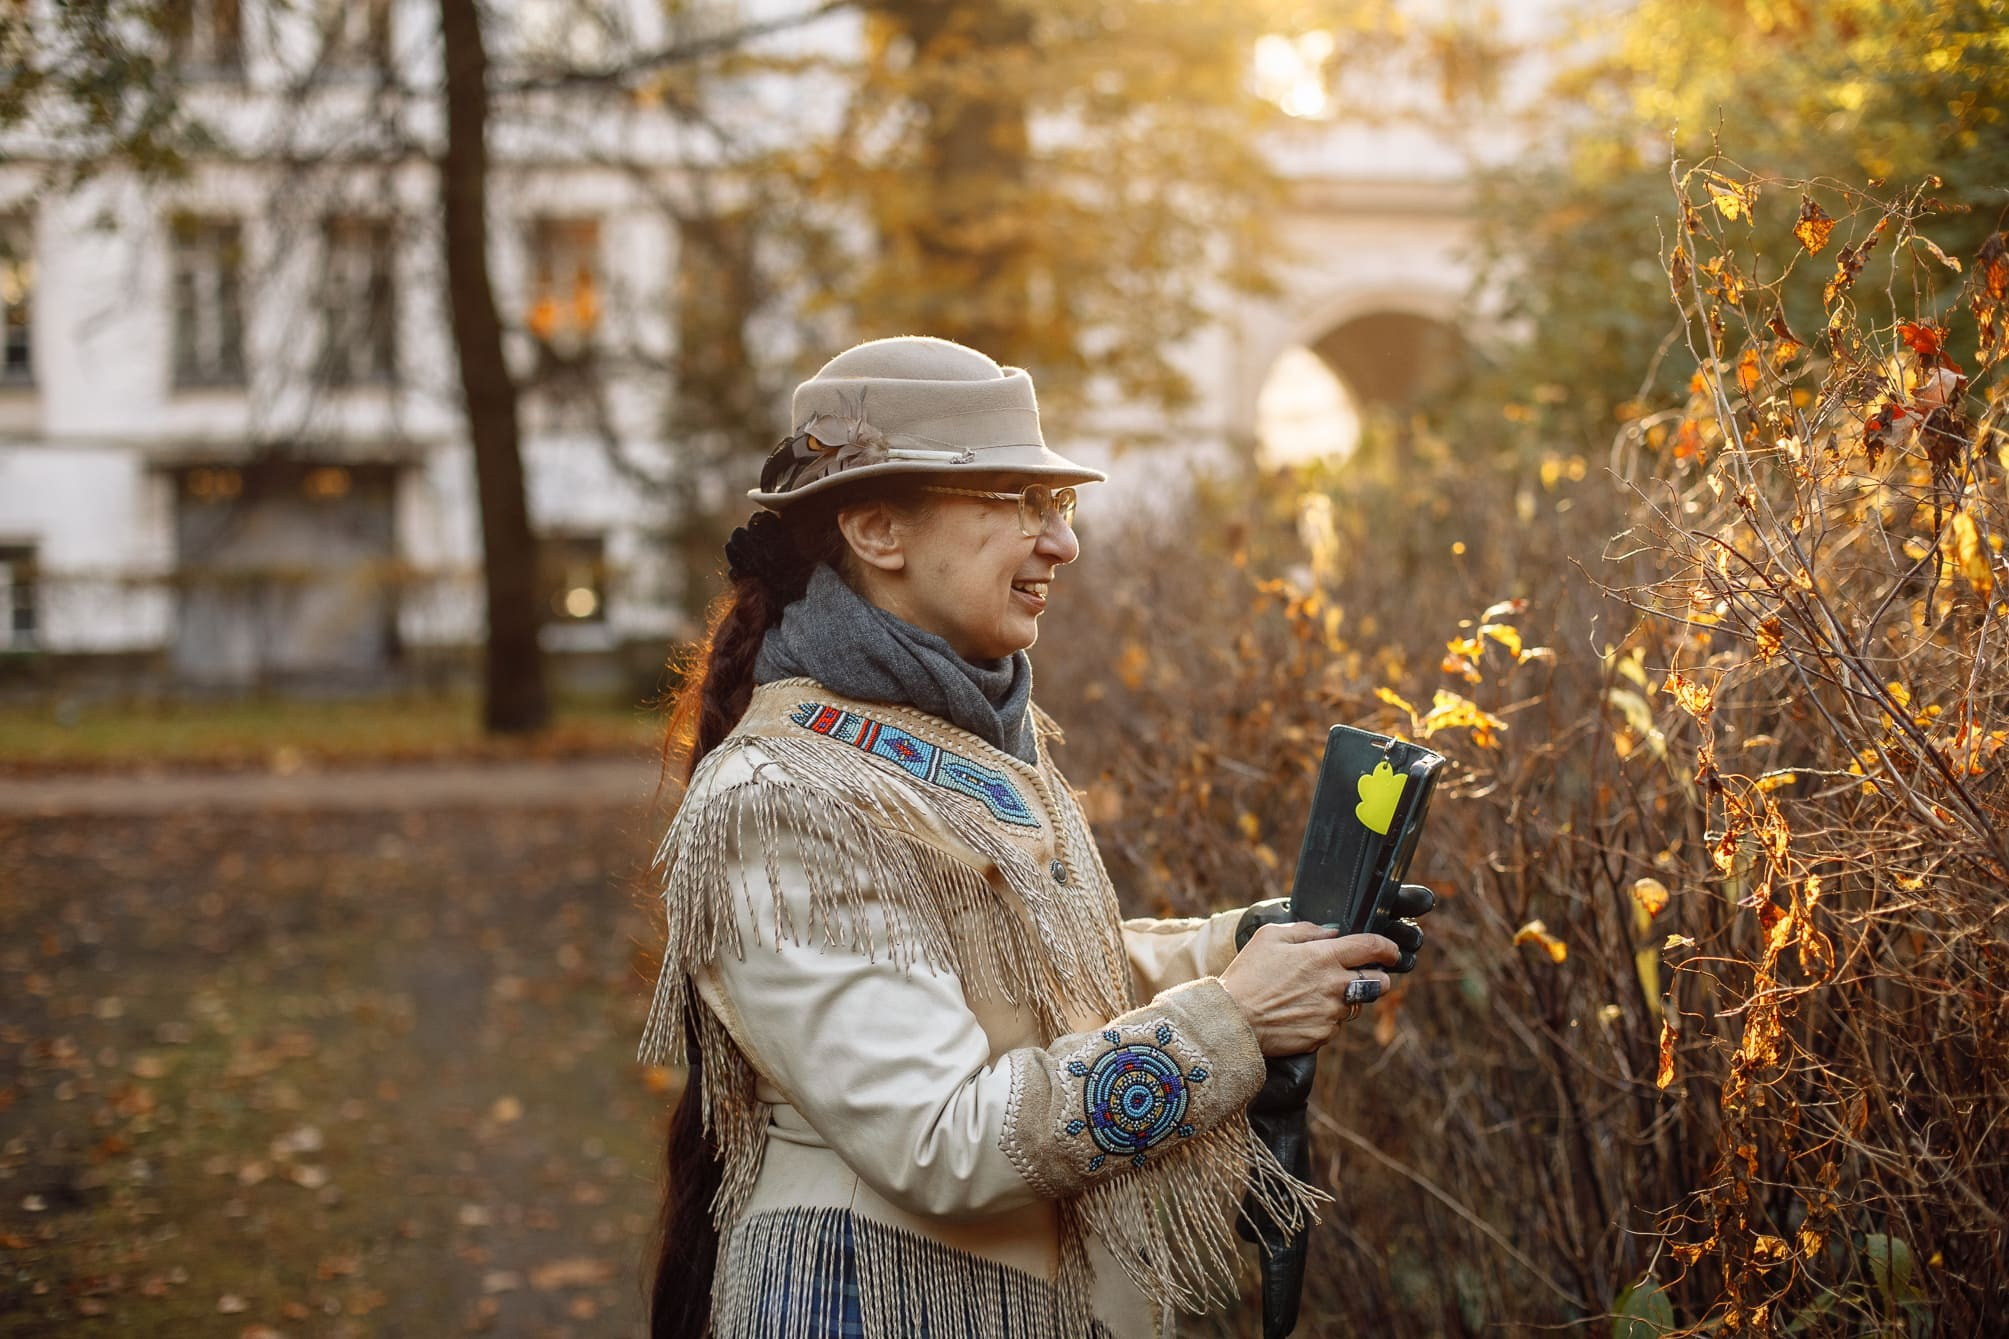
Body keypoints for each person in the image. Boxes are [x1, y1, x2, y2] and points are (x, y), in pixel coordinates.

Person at [640, 336, 1425, 1339]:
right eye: (1016, 499)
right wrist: (1231, 1018)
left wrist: (1248, 946)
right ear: (877, 528)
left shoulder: (965, 731)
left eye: (1058, 505)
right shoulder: (783, 794)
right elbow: (939, 1139)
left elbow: (1021, 974)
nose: (1062, 544)